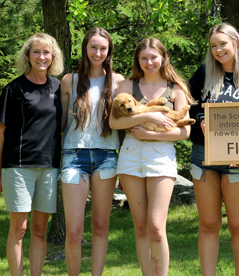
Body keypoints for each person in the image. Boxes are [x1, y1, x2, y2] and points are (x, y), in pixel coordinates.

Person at [189, 23, 239, 276]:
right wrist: (201, 117)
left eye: (222, 44)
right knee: (209, 224)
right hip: (204, 157)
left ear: (235, 42)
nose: (218, 50)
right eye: (213, 46)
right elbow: (189, 107)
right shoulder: (203, 74)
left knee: (238, 224)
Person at [109, 37, 195, 276]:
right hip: (130, 155)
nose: (149, 62)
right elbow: (114, 121)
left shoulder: (175, 88)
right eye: (144, 58)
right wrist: (151, 118)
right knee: (140, 227)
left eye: (153, 57)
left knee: (156, 227)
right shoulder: (128, 85)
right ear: (138, 60)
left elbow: (185, 132)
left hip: (161, 155)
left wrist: (149, 132)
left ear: (162, 58)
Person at [60, 27, 124, 276]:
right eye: (93, 47)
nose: (98, 52)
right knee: (74, 231)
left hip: (107, 156)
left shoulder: (117, 81)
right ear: (85, 48)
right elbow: (61, 124)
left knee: (100, 227)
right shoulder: (69, 81)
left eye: (103, 48)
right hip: (73, 157)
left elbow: (124, 122)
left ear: (109, 51)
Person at [0, 33, 63, 276]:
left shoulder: (58, 88)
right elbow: (1, 132)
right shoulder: (14, 89)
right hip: (18, 165)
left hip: (48, 166)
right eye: (36, 52)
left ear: (53, 56)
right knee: (19, 229)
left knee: (39, 229)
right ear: (28, 55)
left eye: (46, 52)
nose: (41, 57)